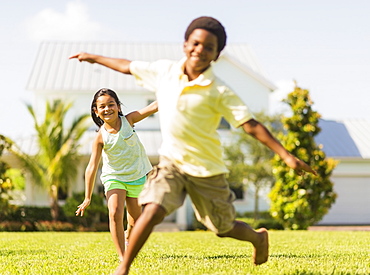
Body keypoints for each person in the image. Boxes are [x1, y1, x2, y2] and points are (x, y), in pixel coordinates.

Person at [70, 16, 316, 275]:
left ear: (216, 55)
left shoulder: (218, 90)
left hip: (206, 168)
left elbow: (249, 123)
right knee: (153, 208)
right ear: (185, 44)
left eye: (209, 47)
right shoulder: (165, 72)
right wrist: (93, 57)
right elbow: (126, 66)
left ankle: (257, 238)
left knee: (223, 227)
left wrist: (286, 155)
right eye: (196, 43)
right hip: (171, 163)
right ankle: (124, 267)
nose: (200, 50)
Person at [75, 88, 158, 263]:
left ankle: (129, 238)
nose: (107, 109)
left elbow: (153, 107)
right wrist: (87, 197)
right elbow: (91, 167)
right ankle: (123, 256)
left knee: (136, 221)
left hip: (137, 176)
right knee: (114, 213)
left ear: (118, 107)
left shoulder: (129, 120)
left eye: (111, 104)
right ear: (96, 112)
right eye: (102, 106)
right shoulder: (99, 137)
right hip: (114, 177)